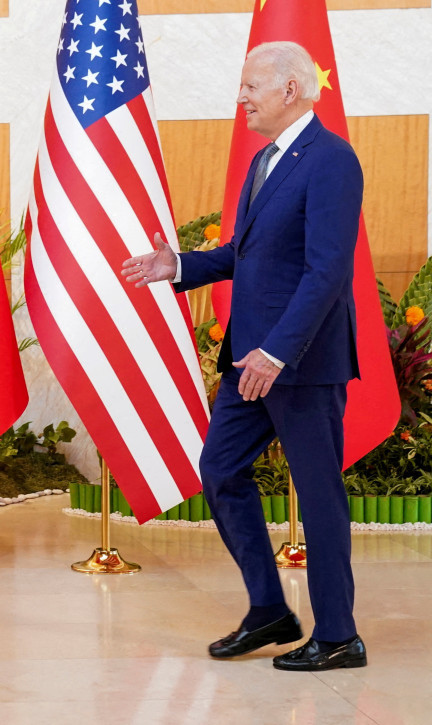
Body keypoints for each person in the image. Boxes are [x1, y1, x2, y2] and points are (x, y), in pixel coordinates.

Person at [122, 41, 366, 671]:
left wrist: (278, 353)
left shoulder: (332, 160)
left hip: (300, 363)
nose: (242, 98)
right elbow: (244, 253)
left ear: (290, 90)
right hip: (248, 363)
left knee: (317, 497)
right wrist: (175, 264)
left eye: (251, 86)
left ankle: (339, 635)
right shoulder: (264, 161)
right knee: (222, 471)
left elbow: (327, 270)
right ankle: (270, 610)